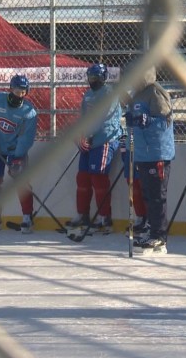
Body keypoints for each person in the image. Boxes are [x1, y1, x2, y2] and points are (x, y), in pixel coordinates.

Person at [0, 74, 38, 233]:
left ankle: (27, 219)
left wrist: (18, 158)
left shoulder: (29, 112)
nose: (20, 94)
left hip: (16, 150)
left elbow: (27, 138)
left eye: (23, 91)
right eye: (17, 90)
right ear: (10, 88)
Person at [123, 66, 175, 255]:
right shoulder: (136, 94)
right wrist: (132, 120)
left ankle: (160, 237)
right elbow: (135, 122)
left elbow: (164, 122)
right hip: (142, 153)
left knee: (157, 196)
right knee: (147, 194)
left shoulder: (155, 92)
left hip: (157, 153)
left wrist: (147, 121)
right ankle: (152, 231)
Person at [66, 63, 122, 233]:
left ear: (104, 78)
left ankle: (105, 218)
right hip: (88, 141)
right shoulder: (88, 94)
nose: (93, 81)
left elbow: (109, 120)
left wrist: (91, 137)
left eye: (97, 78)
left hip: (104, 140)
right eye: (91, 78)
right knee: (82, 177)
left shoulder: (110, 94)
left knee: (98, 178)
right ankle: (82, 214)